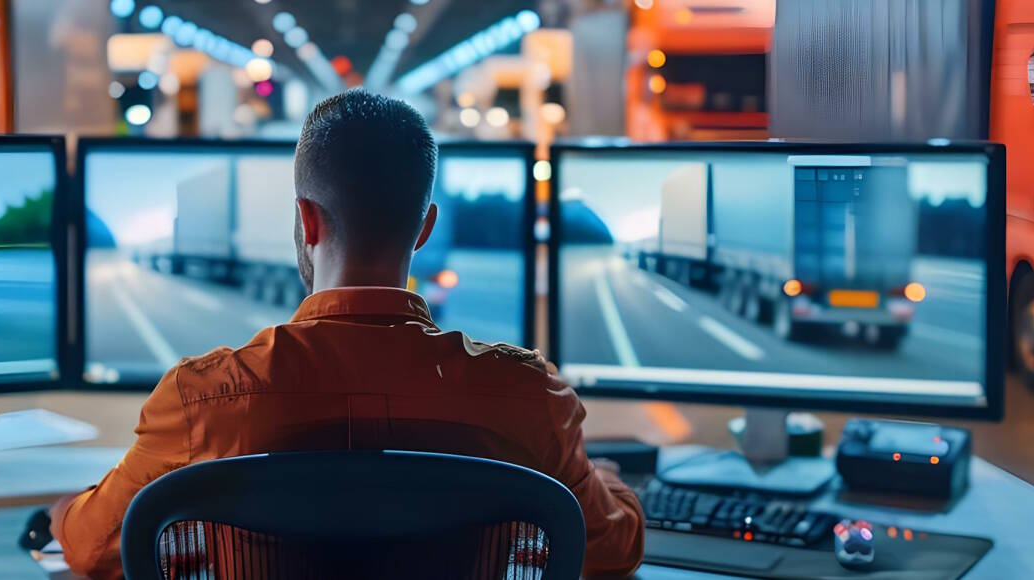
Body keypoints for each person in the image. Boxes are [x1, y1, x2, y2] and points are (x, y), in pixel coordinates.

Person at [50, 89, 644, 578]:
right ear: (423, 228)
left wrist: (62, 512)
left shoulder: (204, 398)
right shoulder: (528, 395)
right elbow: (614, 550)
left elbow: (91, 547)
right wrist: (612, 481)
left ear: (306, 219)